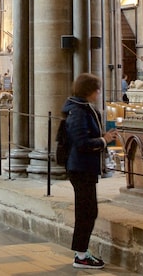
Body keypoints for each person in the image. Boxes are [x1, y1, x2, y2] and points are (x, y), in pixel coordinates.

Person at [62, 73, 116, 270]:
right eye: (97, 89)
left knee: (88, 211)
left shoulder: (83, 108)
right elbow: (81, 142)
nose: (99, 92)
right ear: (89, 90)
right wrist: (104, 140)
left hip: (84, 167)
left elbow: (84, 136)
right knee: (86, 212)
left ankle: (81, 252)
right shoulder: (78, 111)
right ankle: (81, 255)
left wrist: (101, 135)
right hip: (80, 168)